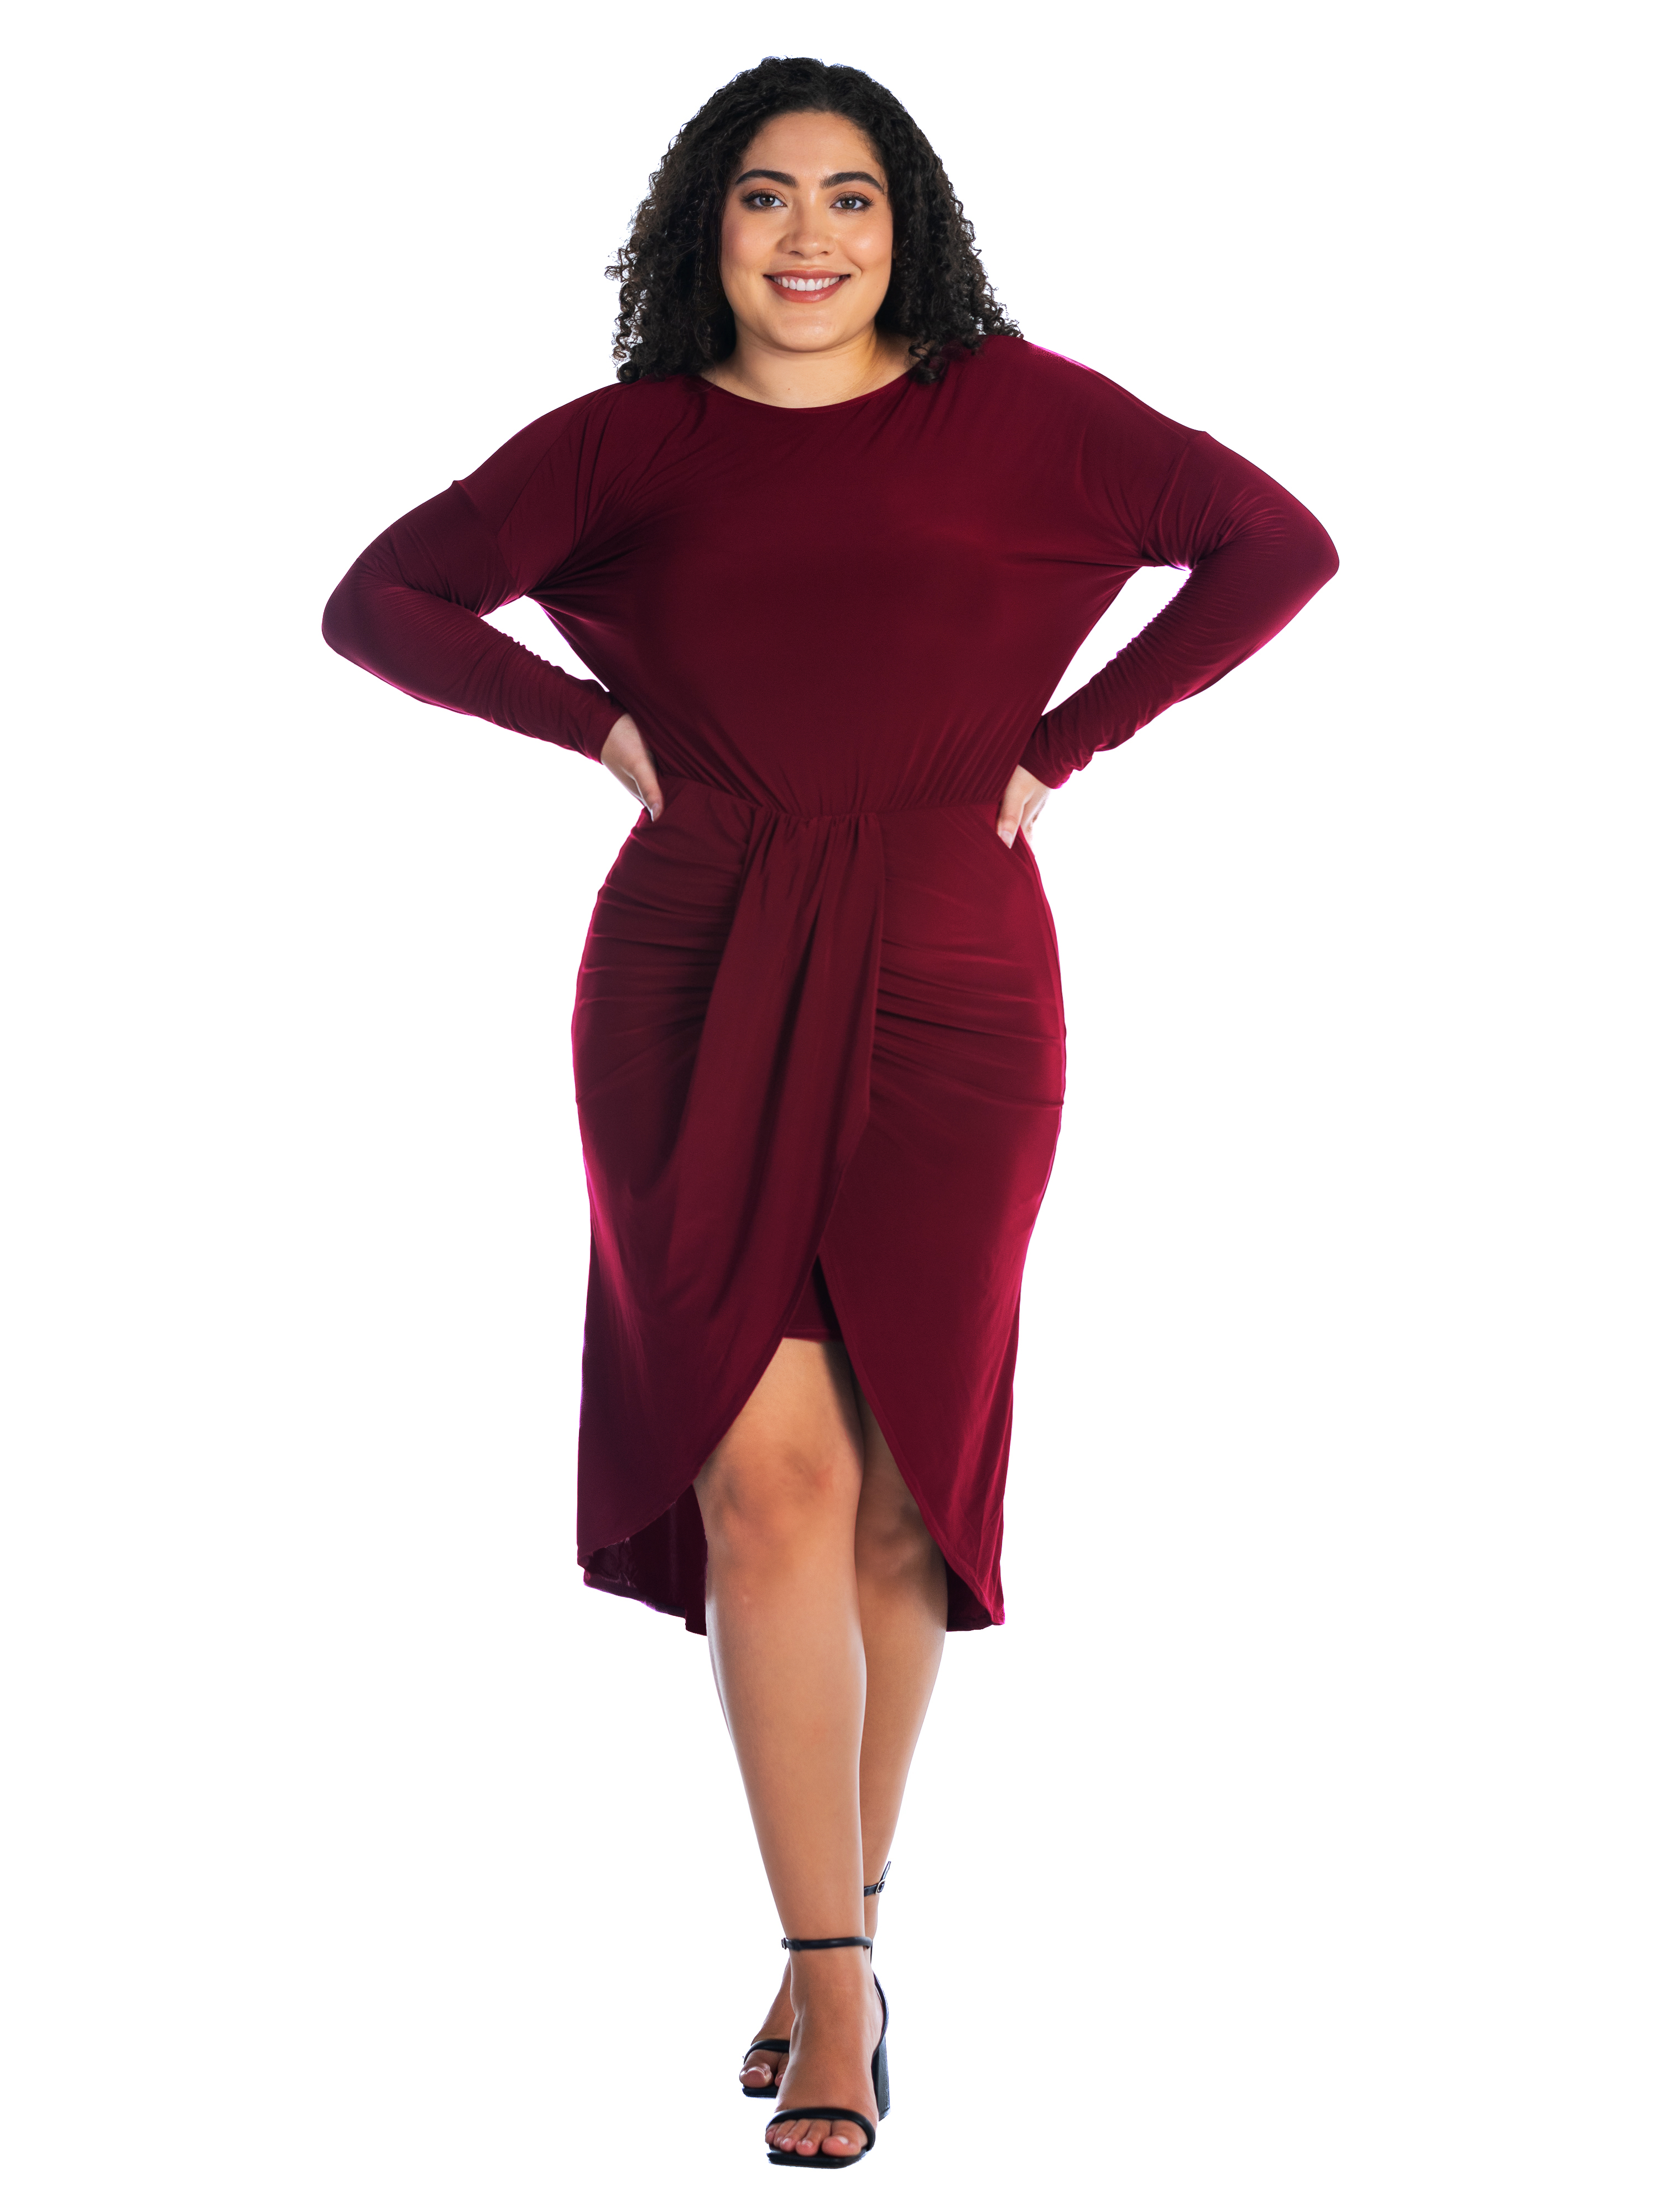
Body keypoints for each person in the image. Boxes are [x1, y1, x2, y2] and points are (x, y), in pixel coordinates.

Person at [321, 55, 1338, 2168]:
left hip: (957, 965)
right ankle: (846, 1988)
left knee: (893, 1495)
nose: (809, 237)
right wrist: (593, 727)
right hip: (695, 960)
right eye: (767, 194)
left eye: (852, 196)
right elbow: (379, 601)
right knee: (763, 1482)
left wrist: (1068, 743)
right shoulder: (626, 444)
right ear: (704, 223)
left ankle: (828, 1941)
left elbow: (1275, 544)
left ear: (909, 224)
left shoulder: (1026, 413)